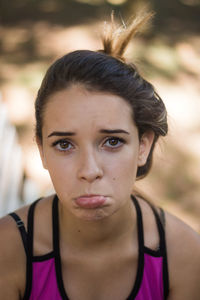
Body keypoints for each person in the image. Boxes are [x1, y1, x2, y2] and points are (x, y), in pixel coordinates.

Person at [0, 11, 199, 300]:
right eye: (64, 145)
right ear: (41, 150)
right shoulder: (8, 250)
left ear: (143, 145)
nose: (89, 170)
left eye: (112, 141)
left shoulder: (183, 256)